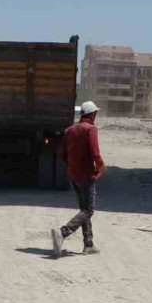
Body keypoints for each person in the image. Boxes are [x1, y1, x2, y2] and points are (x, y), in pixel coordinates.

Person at [51, 101, 106, 257]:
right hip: (86, 175)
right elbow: (95, 153)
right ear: (92, 114)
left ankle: (88, 244)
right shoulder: (91, 129)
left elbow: (63, 155)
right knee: (89, 210)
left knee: (84, 211)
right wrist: (100, 166)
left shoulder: (69, 130)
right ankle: (63, 232)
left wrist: (73, 166)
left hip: (73, 175)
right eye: (95, 113)